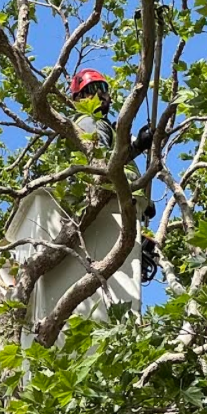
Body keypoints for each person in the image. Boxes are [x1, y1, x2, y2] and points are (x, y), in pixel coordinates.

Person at [69, 68, 159, 283]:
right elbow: (102, 163)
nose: (99, 94)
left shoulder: (104, 125)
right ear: (78, 98)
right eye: (91, 90)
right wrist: (137, 146)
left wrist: (137, 146)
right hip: (100, 199)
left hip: (109, 203)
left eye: (102, 89)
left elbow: (114, 159)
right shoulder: (88, 121)